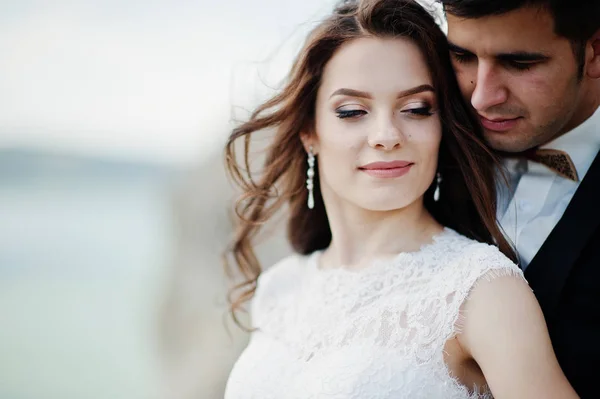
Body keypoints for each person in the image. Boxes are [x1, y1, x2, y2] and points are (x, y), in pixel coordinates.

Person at [222, 0, 578, 397]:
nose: (386, 135)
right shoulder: (279, 289)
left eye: (415, 108)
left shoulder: (481, 291)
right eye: (353, 111)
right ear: (310, 130)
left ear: (442, 126)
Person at [437, 0, 600, 396]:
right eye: (462, 56)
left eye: (520, 63)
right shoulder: (417, 144)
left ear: (595, 52)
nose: (482, 98)